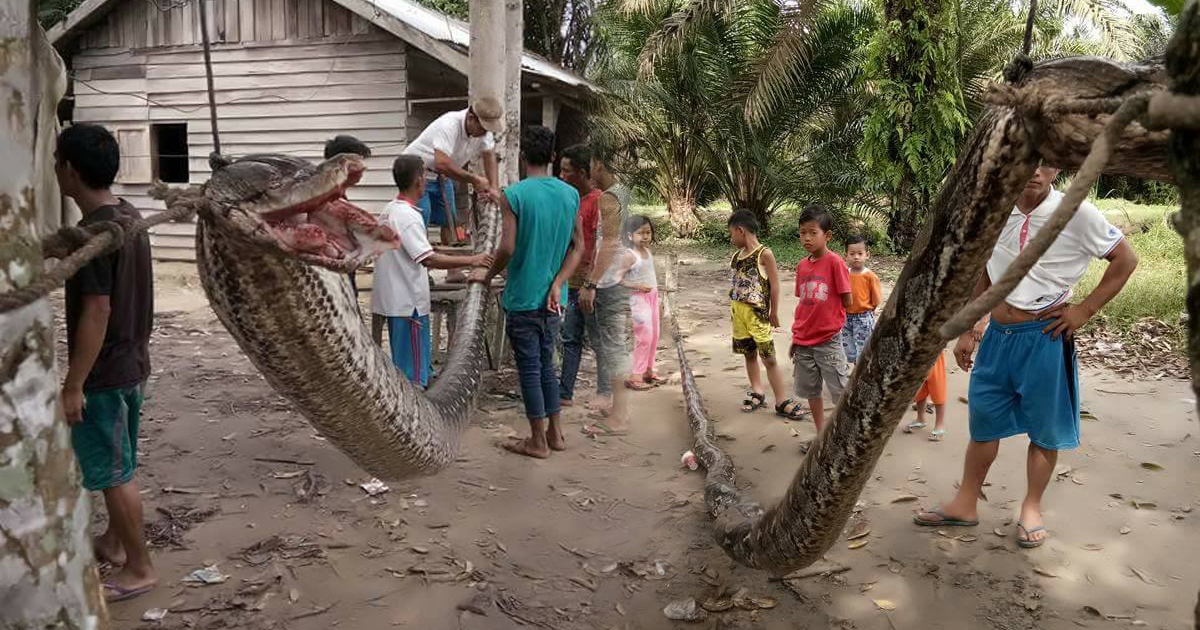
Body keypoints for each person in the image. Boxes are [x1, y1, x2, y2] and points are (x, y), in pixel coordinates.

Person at [915, 165, 1137, 548]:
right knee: (984, 420)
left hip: (1044, 336)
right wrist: (970, 326)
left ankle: (1031, 507)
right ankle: (966, 503)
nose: (1035, 170)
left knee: (1044, 429)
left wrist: (1083, 310)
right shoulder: (996, 210)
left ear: (1058, 166)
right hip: (998, 336)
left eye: (1046, 160)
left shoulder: (1075, 212)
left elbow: (1125, 260)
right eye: (1028, 158)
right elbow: (986, 270)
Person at [55, 123, 156, 602]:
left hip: (107, 372)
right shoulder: (129, 216)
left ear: (69, 170)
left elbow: (98, 310)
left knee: (115, 475)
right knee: (120, 461)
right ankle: (115, 545)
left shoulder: (95, 234)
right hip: (133, 363)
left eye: (57, 163)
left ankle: (140, 568)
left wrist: (74, 384)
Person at [473, 125, 583, 458]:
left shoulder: (515, 194)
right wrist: (559, 282)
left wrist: (489, 274)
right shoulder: (569, 194)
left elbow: (506, 246)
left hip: (523, 297)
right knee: (547, 365)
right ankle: (555, 433)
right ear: (552, 157)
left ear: (523, 158)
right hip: (554, 299)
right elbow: (578, 247)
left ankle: (536, 441)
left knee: (531, 369)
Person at [372, 155, 492, 387]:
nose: (427, 182)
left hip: (394, 299)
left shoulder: (390, 210)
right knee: (413, 373)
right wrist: (472, 259)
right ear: (418, 181)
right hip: (408, 302)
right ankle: (416, 404)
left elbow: (411, 250)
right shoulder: (407, 216)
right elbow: (428, 260)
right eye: (425, 178)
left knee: (408, 362)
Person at [402, 98, 502, 258]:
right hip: (417, 174)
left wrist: (494, 188)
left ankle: (452, 268)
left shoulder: (484, 132)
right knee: (421, 218)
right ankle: (421, 266)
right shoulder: (449, 125)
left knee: (449, 221)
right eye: (482, 128)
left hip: (442, 175)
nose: (484, 133)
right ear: (471, 118)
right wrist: (475, 180)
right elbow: (441, 162)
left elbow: (489, 156)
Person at [726, 210, 802, 420]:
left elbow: (775, 285)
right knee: (748, 354)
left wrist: (774, 312)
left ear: (741, 230)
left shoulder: (764, 254)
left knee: (769, 358)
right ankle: (757, 390)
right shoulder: (736, 256)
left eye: (732, 233)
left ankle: (781, 400)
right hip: (739, 315)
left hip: (758, 316)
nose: (731, 238)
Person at [579, 147, 634, 437]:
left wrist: (591, 283)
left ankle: (620, 416)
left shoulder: (611, 198)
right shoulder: (623, 193)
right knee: (614, 346)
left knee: (613, 347)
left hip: (611, 282)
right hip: (616, 278)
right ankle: (617, 409)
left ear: (599, 163)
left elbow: (609, 243)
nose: (589, 172)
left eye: (591, 165)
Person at [790, 205, 852, 434]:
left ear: (827, 236)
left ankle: (845, 433)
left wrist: (833, 319)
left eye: (812, 232)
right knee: (811, 391)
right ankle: (820, 433)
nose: (806, 237)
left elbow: (847, 299)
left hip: (828, 340)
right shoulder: (802, 266)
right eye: (802, 232)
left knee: (840, 390)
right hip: (804, 342)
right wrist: (795, 338)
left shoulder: (835, 262)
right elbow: (803, 306)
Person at [558, 144, 604, 407]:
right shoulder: (570, 199)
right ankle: (565, 392)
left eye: (568, 171)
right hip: (572, 281)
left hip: (591, 284)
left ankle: (606, 394)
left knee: (599, 341)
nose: (563, 176)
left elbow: (600, 245)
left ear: (583, 173)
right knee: (570, 338)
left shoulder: (598, 201)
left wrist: (591, 284)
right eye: (561, 170)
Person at [323, 135, 373, 316]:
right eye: (358, 162)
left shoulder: (337, 194)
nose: (363, 168)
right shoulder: (327, 198)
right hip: (334, 286)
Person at [620, 215, 665, 390]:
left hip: (653, 296)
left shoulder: (647, 252)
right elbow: (618, 279)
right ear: (630, 235)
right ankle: (636, 375)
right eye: (641, 233)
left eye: (648, 232)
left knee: (654, 336)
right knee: (644, 336)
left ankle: (648, 370)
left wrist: (657, 296)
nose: (645, 236)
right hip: (639, 299)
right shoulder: (629, 256)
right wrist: (637, 285)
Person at [841, 235, 883, 365]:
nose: (856, 257)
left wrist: (869, 314)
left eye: (860, 253)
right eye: (852, 253)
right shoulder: (844, 274)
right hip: (845, 317)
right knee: (848, 347)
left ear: (867, 255)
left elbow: (876, 300)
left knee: (863, 347)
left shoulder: (870, 277)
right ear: (846, 255)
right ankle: (855, 368)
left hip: (863, 318)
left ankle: (860, 372)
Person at [905, 352, 948, 441]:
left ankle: (939, 425)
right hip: (918, 354)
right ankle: (920, 419)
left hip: (934, 353)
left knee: (937, 388)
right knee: (920, 388)